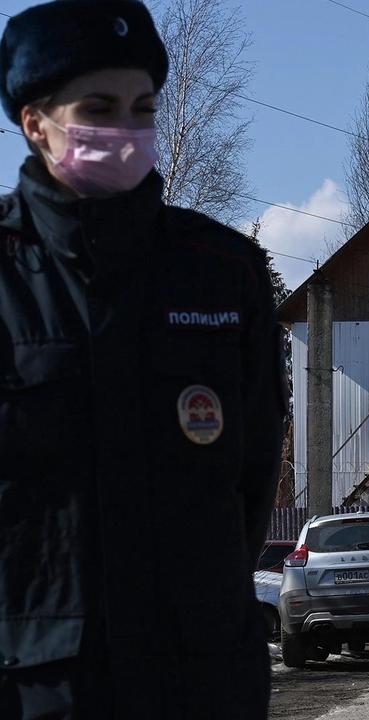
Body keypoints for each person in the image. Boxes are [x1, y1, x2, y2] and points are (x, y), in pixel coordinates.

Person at [0, 2, 285, 718]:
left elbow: (250, 479)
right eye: (98, 108)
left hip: (199, 678)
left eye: (141, 108)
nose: (124, 131)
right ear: (35, 121)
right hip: (38, 684)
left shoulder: (222, 272)